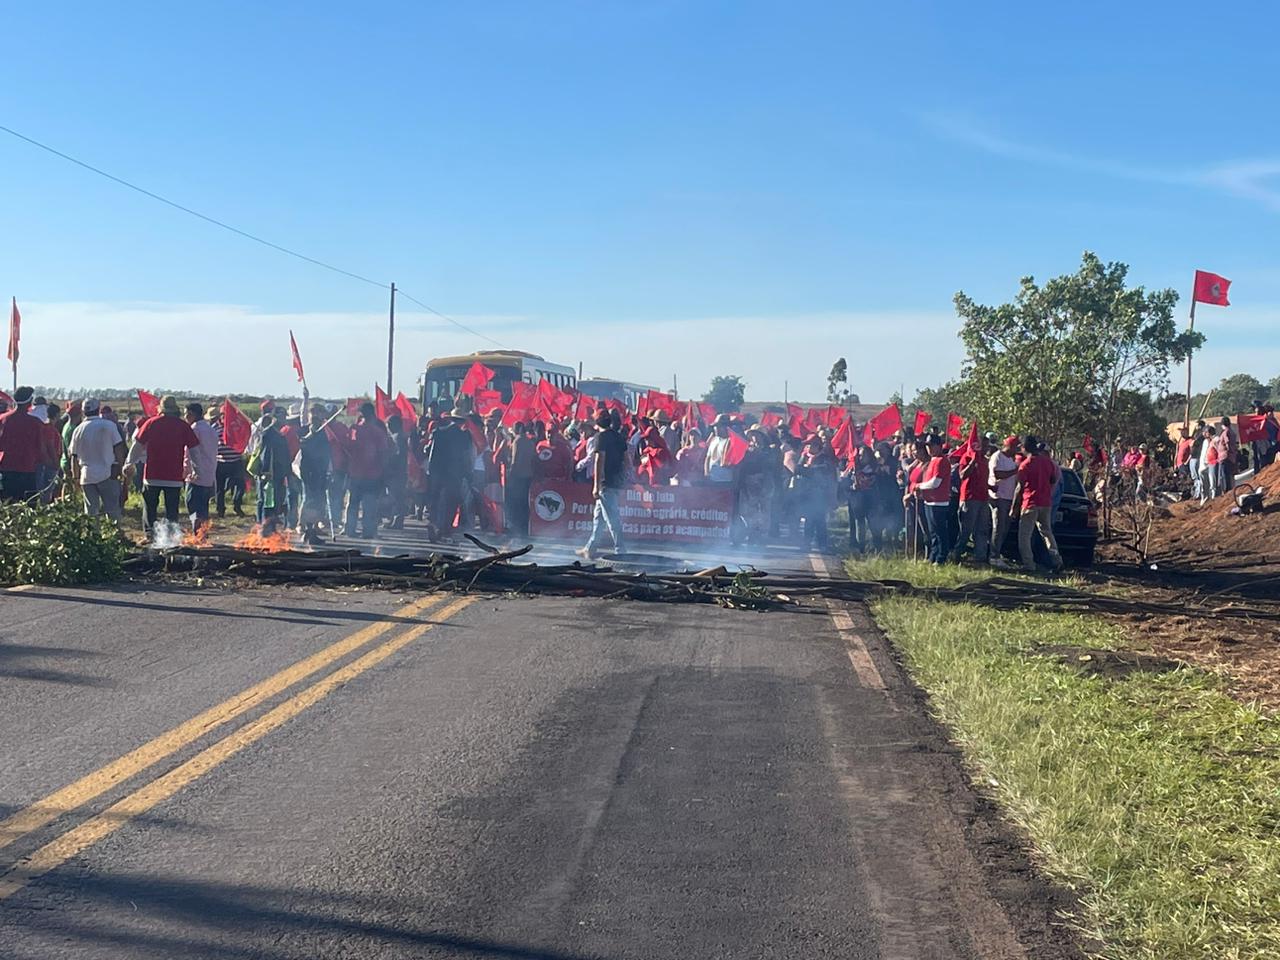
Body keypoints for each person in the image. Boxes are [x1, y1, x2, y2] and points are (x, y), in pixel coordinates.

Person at [133, 396, 200, 537]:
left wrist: (129, 462)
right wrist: (197, 468)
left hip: (152, 474)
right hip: (173, 476)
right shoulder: (183, 426)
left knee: (150, 508)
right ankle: (170, 536)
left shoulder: (151, 423)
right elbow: (194, 450)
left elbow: (137, 445)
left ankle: (150, 535)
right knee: (172, 510)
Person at [577, 412, 627, 559]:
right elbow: (626, 459)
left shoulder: (601, 438)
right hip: (616, 482)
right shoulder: (619, 437)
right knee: (598, 518)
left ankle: (621, 550)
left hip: (606, 483)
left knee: (612, 518)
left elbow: (599, 460)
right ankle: (590, 548)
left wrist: (596, 485)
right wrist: (623, 478)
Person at [68, 398, 126, 520]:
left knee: (91, 513)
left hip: (87, 476)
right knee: (112, 511)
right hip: (107, 474)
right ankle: (115, 536)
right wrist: (121, 469)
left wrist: (75, 478)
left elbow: (73, 457)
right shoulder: (109, 426)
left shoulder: (78, 430)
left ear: (83, 411)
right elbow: (118, 449)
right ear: (98, 409)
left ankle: (93, 537)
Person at [1014, 435, 1063, 573]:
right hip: (1046, 503)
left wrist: (1014, 507)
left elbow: (1019, 488)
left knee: (1024, 536)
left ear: (1024, 448)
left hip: (1030, 503)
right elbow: (1053, 479)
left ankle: (1029, 564)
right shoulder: (1048, 462)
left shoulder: (1026, 464)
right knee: (1047, 533)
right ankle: (1057, 559)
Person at [344, 402, 391, 539]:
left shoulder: (353, 429)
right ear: (373, 413)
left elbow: (347, 448)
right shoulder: (378, 432)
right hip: (372, 474)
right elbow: (383, 453)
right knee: (369, 504)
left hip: (355, 473)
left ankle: (350, 529)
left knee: (352, 503)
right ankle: (368, 531)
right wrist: (384, 472)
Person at [0, 386, 49, 502]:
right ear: (29, 402)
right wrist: (49, 463)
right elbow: (40, 448)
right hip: (27, 469)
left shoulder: (3, 419)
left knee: (8, 505)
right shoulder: (35, 423)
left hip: (6, 468)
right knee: (27, 505)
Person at [953, 433, 993, 564]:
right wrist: (972, 462)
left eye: (988, 445)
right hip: (970, 498)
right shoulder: (966, 457)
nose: (987, 448)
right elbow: (962, 475)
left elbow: (982, 479)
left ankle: (980, 557)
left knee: (982, 529)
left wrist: (990, 487)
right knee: (966, 529)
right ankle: (957, 554)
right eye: (984, 445)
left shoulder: (985, 461)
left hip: (983, 498)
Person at [914, 434, 953, 564]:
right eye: (928, 446)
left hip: (939, 501)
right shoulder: (933, 460)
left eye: (931, 446)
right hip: (929, 500)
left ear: (938, 446)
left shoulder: (942, 461)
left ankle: (941, 557)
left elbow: (935, 483)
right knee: (933, 532)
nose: (929, 448)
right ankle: (933, 556)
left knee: (940, 531)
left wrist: (919, 486)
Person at [298, 403, 333, 544]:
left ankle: (311, 530)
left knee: (317, 501)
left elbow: (326, 452)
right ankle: (305, 529)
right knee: (309, 500)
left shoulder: (323, 432)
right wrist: (310, 434)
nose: (316, 417)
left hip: (320, 472)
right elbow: (301, 443)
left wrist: (328, 470)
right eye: (314, 414)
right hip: (309, 472)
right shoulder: (304, 431)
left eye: (319, 414)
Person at [183, 402, 219, 532]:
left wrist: (186, 470)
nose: (184, 417)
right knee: (203, 507)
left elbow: (190, 453)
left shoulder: (194, 430)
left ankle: (197, 533)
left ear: (191, 414)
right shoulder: (211, 430)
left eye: (186, 413)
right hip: (209, 474)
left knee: (193, 506)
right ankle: (202, 534)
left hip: (196, 474)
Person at [987, 435, 1019, 568]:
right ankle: (993, 556)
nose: (1017, 449)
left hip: (1008, 498)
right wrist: (1015, 470)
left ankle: (998, 553)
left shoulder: (1010, 460)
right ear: (1010, 446)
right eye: (1016, 446)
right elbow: (998, 474)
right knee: (999, 527)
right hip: (998, 497)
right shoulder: (998, 456)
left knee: (1004, 528)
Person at [214, 414, 247, 518]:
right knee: (220, 488)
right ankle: (220, 509)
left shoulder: (236, 428)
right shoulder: (215, 429)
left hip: (236, 461)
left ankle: (237, 505)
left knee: (241, 485)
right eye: (224, 417)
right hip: (221, 462)